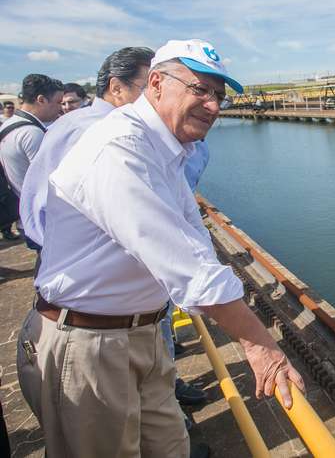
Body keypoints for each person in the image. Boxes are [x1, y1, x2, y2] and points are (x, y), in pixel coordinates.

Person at [17, 39, 304, 458]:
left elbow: (196, 243)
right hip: (88, 343)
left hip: (141, 333)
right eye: (200, 90)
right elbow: (189, 269)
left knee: (172, 449)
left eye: (220, 96)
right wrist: (259, 344)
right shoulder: (118, 147)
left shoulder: (165, 149)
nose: (213, 106)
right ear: (155, 82)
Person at [20, 47, 154, 248]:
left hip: (51, 242)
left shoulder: (74, 120)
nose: (157, 99)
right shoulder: (109, 130)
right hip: (72, 254)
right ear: (116, 88)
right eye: (149, 89)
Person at [0, 75, 62, 243]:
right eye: (58, 102)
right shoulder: (32, 133)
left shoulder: (9, 124)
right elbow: (51, 179)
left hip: (24, 212)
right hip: (41, 217)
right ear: (41, 99)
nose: (60, 109)